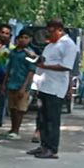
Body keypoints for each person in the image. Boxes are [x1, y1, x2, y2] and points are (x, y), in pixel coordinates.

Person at [26, 20, 77, 159]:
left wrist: (45, 66)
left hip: (55, 88)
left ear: (59, 30)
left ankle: (52, 148)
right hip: (44, 84)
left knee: (52, 119)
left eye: (51, 31)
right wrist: (36, 59)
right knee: (42, 118)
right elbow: (44, 60)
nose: (48, 34)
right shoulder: (51, 45)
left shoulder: (68, 45)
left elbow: (66, 66)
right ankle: (43, 145)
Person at [2, 29, 37, 139]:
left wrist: (24, 87)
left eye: (26, 38)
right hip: (12, 82)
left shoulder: (29, 54)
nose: (23, 40)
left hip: (22, 84)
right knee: (12, 107)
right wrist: (4, 83)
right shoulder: (13, 52)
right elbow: (8, 68)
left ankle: (16, 130)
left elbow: (31, 71)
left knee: (20, 109)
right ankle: (12, 128)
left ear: (30, 40)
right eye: (21, 37)